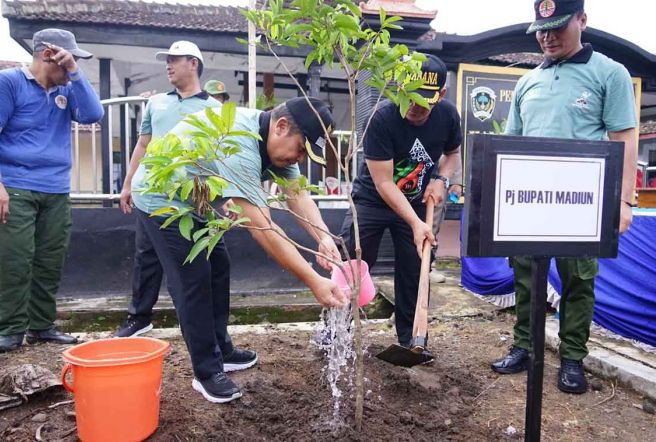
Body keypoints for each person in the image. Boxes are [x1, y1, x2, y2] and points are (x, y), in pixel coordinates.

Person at [133, 96, 345, 403]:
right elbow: (263, 228)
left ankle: (223, 350)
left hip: (198, 201)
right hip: (162, 200)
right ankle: (206, 372)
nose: (300, 158)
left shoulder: (276, 147)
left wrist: (324, 238)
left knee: (219, 267)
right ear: (281, 126)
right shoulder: (240, 143)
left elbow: (297, 196)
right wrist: (314, 280)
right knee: (193, 281)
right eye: (301, 148)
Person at [491, 0, 638, 395]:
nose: (547, 36)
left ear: (583, 21)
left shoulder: (609, 73)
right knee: (525, 278)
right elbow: (512, 145)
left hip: (580, 204)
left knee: (578, 282)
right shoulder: (527, 81)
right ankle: (524, 346)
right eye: (541, 29)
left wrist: (623, 201)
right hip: (528, 203)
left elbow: (624, 138)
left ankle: (573, 358)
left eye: (557, 26)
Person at [0, 29, 104, 353]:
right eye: (70, 58)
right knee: (12, 258)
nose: (73, 65)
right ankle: (10, 329)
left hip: (56, 189)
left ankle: (41, 326)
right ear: (49, 54)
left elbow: (94, 114)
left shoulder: (67, 89)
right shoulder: (6, 83)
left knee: (49, 259)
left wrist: (76, 74)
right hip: (13, 187)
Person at [340, 54, 463, 349]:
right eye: (408, 97)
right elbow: (384, 182)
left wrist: (440, 179)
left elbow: (453, 154)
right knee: (351, 264)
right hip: (373, 199)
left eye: (423, 100)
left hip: (418, 200)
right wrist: (414, 222)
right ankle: (336, 333)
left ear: (440, 95)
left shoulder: (447, 115)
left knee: (414, 267)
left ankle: (411, 340)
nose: (414, 107)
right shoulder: (382, 118)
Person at [115, 41, 222, 338]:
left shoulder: (214, 109)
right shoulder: (156, 103)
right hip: (151, 194)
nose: (168, 65)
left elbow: (216, 157)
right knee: (144, 257)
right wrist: (127, 185)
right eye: (168, 60)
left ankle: (199, 326)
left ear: (193, 64)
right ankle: (139, 318)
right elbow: (143, 145)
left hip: (190, 201)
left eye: (175, 60)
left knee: (188, 266)